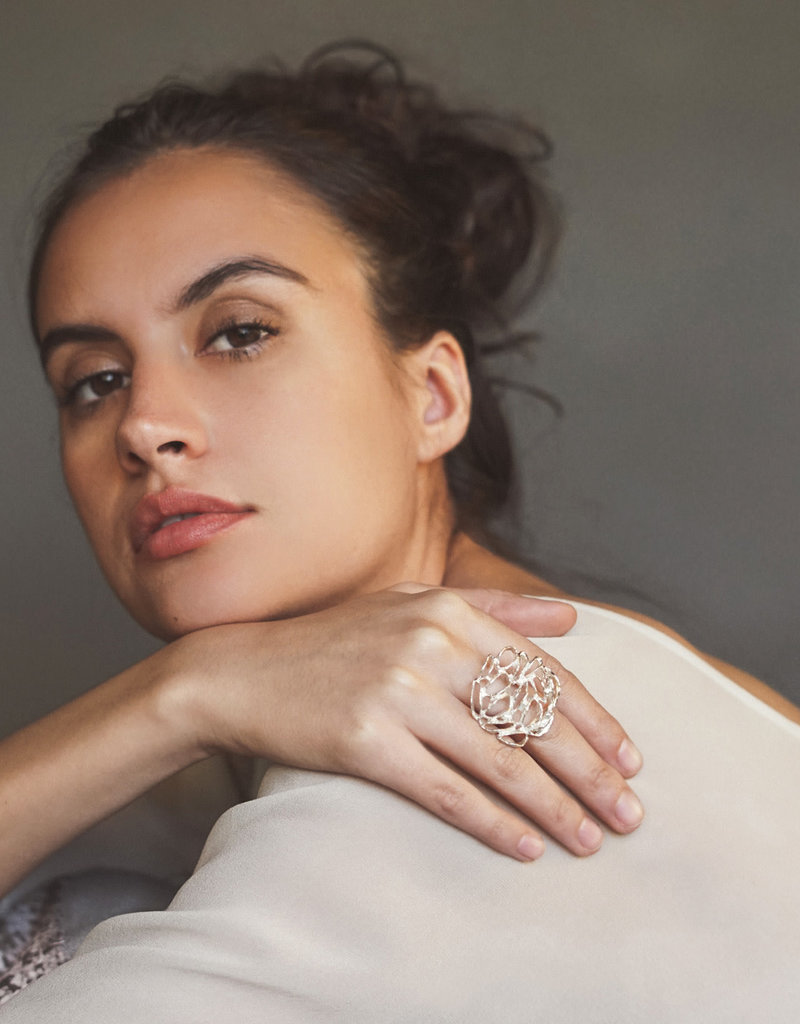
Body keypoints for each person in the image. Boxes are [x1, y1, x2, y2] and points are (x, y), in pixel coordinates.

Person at [2, 43, 798, 1018]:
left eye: (239, 330)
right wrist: (181, 696)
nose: (143, 425)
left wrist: (183, 699)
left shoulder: (478, 758)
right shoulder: (216, 761)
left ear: (431, 394)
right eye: (94, 379)